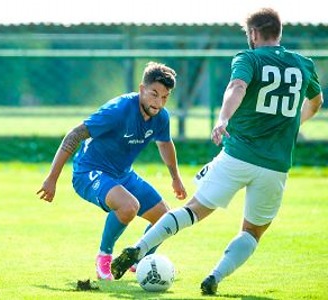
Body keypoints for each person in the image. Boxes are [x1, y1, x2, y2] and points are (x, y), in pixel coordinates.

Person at [111, 7, 324, 295]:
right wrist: (293, 122)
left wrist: (222, 119)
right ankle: (214, 277)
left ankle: (139, 247)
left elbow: (237, 86)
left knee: (193, 210)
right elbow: (316, 101)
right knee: (252, 232)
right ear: (278, 32)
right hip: (275, 166)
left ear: (253, 33)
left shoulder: (248, 58)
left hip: (237, 155)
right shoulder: (304, 64)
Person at [37, 61, 187, 280]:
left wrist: (176, 178)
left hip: (122, 173)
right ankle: (104, 258)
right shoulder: (117, 110)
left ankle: (137, 259)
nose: (158, 103)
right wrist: (52, 179)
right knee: (129, 206)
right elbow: (74, 134)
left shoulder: (161, 117)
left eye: (164, 97)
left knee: (166, 219)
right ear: (141, 89)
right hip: (89, 172)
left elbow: (165, 144)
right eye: (154, 94)